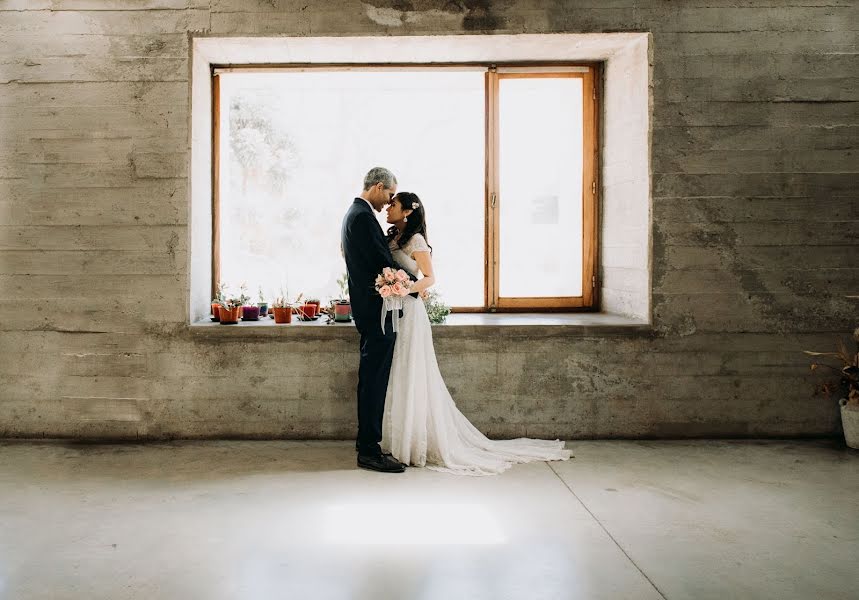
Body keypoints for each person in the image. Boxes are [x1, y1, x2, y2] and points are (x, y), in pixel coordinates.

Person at [381, 192, 573, 475]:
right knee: (398, 371)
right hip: (395, 310)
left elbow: (430, 278)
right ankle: (398, 439)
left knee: (413, 370)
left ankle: (414, 442)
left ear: (407, 211)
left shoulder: (416, 241)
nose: (388, 208)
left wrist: (403, 288)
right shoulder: (392, 238)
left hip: (410, 312)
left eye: (393, 205)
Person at [341, 167, 410, 473]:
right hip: (376, 312)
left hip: (368, 311)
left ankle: (365, 443)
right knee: (374, 380)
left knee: (371, 378)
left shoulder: (354, 214)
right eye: (390, 195)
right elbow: (383, 261)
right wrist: (414, 285)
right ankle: (369, 450)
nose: (389, 202)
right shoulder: (362, 216)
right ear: (378, 187)